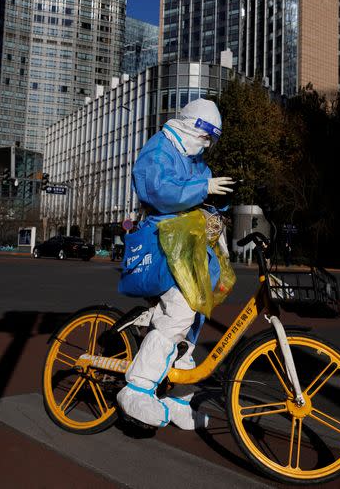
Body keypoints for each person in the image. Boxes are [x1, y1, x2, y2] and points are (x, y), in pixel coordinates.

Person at [117, 98, 234, 430]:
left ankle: (178, 398)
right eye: (204, 135)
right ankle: (137, 389)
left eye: (212, 139)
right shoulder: (159, 150)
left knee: (191, 320)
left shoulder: (195, 161)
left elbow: (203, 199)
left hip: (187, 248)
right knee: (181, 312)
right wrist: (203, 188)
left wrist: (217, 203)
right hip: (164, 243)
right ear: (189, 124)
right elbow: (157, 190)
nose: (206, 144)